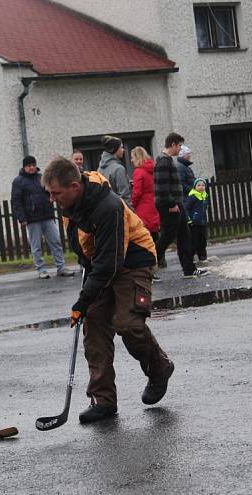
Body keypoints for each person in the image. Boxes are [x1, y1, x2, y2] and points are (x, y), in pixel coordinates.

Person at [42, 157, 175, 424]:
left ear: (74, 186)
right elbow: (86, 250)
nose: (51, 200)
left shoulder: (108, 206)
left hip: (133, 261)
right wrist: (87, 298)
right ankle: (103, 399)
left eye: (55, 193)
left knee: (127, 323)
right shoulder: (72, 205)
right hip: (103, 263)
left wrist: (82, 300)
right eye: (49, 193)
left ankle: (159, 367)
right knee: (94, 322)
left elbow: (110, 263)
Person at [11, 155, 75, 279]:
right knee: (36, 246)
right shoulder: (18, 181)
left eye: (33, 165)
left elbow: (51, 191)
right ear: (24, 167)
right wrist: (21, 217)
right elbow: (16, 201)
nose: (32, 168)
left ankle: (61, 267)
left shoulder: (41, 178)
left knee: (56, 241)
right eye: (29, 166)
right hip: (32, 218)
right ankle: (41, 270)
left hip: (47, 215)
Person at [154, 132, 203, 279]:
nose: (180, 149)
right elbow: (162, 187)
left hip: (176, 205)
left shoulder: (167, 160)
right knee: (166, 239)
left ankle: (189, 269)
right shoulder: (163, 161)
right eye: (179, 145)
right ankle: (146, 268)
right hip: (170, 206)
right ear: (173, 144)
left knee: (184, 237)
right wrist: (171, 204)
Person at [98, 135, 132, 206]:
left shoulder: (100, 168)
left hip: (106, 210)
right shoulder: (119, 169)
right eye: (121, 147)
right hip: (119, 212)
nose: (123, 150)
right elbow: (125, 197)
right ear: (115, 150)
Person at [184, 177, 209, 264]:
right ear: (195, 187)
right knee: (194, 240)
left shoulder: (205, 196)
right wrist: (189, 219)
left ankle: (202, 256)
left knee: (203, 240)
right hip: (193, 223)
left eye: (203, 185)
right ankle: (191, 257)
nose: (201, 187)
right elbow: (186, 209)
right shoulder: (192, 197)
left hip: (202, 223)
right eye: (199, 185)